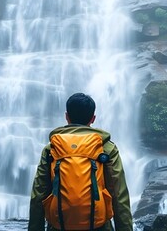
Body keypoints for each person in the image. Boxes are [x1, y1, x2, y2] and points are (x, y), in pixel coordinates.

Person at [29, 93, 133, 231]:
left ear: (66, 117)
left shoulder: (51, 149)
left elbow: (38, 194)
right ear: (93, 118)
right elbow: (119, 195)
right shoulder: (106, 148)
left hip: (59, 226)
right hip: (99, 226)